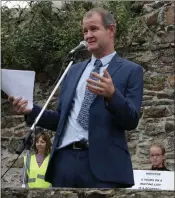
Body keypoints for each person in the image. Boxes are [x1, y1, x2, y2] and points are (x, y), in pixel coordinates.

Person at [9, 7, 143, 188]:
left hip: (104, 166)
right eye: (85, 31)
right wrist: (31, 110)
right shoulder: (74, 71)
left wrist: (113, 96)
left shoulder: (131, 71)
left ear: (111, 30)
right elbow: (60, 120)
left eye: (94, 29)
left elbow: (131, 120)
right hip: (65, 163)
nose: (88, 35)